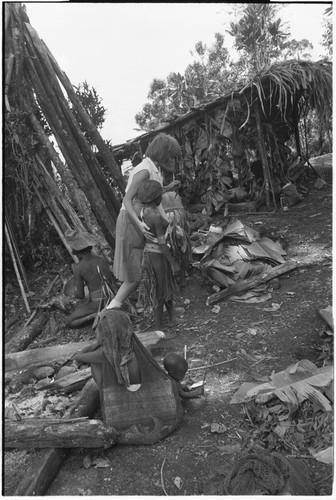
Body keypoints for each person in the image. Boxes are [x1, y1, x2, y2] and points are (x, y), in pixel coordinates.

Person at [107, 133, 181, 311]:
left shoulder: (153, 169)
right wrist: (139, 225)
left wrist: (166, 189)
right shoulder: (145, 170)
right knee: (135, 273)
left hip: (140, 221)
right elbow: (127, 200)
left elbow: (148, 194)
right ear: (163, 153)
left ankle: (159, 306)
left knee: (146, 267)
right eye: (171, 155)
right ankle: (112, 308)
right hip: (131, 221)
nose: (173, 160)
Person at [137, 180, 181, 331]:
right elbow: (162, 244)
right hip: (158, 256)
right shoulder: (156, 217)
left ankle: (170, 318)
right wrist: (173, 263)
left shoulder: (143, 213)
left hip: (150, 254)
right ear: (157, 199)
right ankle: (159, 326)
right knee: (161, 291)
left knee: (165, 287)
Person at [64, 230, 114, 328]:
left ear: (76, 250)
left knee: (69, 321)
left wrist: (73, 295)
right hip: (112, 297)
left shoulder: (78, 267)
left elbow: (80, 295)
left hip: (98, 303)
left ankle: (94, 316)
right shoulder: (102, 259)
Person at [161, 189, 192, 287]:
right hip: (179, 213)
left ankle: (171, 278)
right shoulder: (176, 194)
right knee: (183, 248)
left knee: (169, 247)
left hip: (165, 214)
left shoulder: (157, 195)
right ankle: (182, 279)